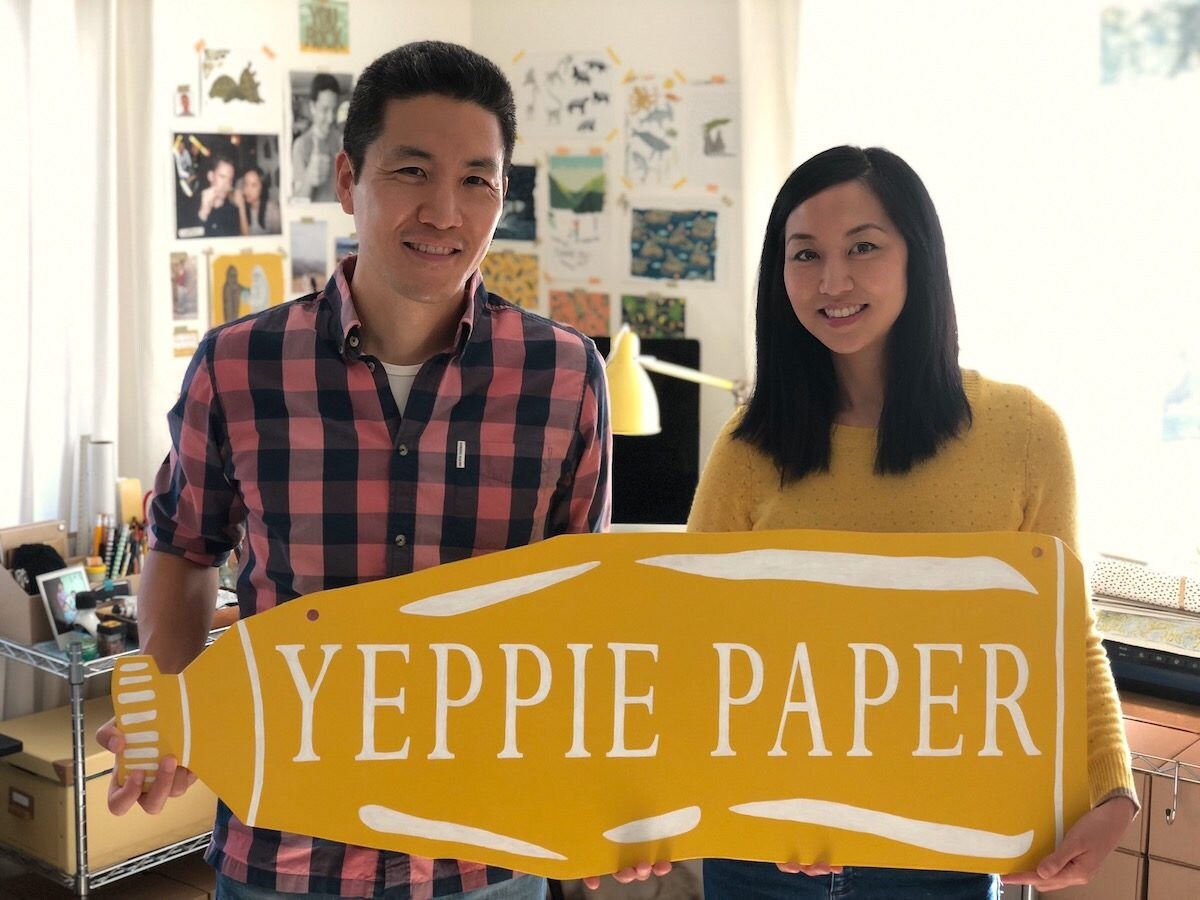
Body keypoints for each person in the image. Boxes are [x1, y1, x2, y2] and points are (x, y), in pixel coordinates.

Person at [98, 41, 612, 900]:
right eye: (412, 171)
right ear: (348, 181)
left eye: (477, 180)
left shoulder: (564, 376)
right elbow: (184, 550)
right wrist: (181, 712)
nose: (445, 212)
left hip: (487, 850)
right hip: (287, 847)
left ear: (503, 195)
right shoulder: (239, 364)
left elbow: (583, 608)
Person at [686, 145, 1137, 899]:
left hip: (943, 856)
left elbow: (1064, 633)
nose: (833, 281)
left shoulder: (1023, 433)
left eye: (864, 246)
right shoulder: (749, 444)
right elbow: (691, 644)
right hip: (766, 848)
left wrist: (1111, 790)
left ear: (916, 256)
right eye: (806, 255)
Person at [291, 72, 343, 202]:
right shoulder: (301, 145)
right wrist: (309, 178)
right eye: (325, 110)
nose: (330, 118)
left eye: (334, 110)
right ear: (312, 107)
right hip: (315, 220)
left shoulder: (342, 141)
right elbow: (298, 201)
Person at [197, 155, 242, 238]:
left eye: (230, 179)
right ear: (210, 176)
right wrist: (203, 213)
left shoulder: (233, 211)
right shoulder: (190, 204)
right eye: (222, 176)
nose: (227, 183)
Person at [236, 165, 281, 235]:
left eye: (253, 185)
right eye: (246, 184)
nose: (248, 190)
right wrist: (241, 208)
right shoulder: (240, 208)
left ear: (261, 187)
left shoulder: (273, 210)